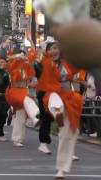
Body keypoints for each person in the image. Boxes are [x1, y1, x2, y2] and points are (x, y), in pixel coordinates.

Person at [35, 40, 83, 179]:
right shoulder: (45, 63)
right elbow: (36, 63)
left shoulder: (67, 64)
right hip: (53, 95)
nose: (53, 51)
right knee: (54, 101)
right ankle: (57, 114)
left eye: (56, 48)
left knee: (66, 135)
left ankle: (62, 169)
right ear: (47, 51)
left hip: (69, 97)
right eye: (51, 49)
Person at [5, 49, 40, 147]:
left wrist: (31, 42)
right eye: (21, 55)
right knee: (26, 104)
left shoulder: (26, 66)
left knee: (21, 117)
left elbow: (32, 57)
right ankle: (34, 118)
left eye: (23, 55)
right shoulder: (13, 65)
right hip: (15, 92)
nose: (22, 57)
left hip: (24, 91)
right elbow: (8, 60)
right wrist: (16, 57)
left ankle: (18, 138)